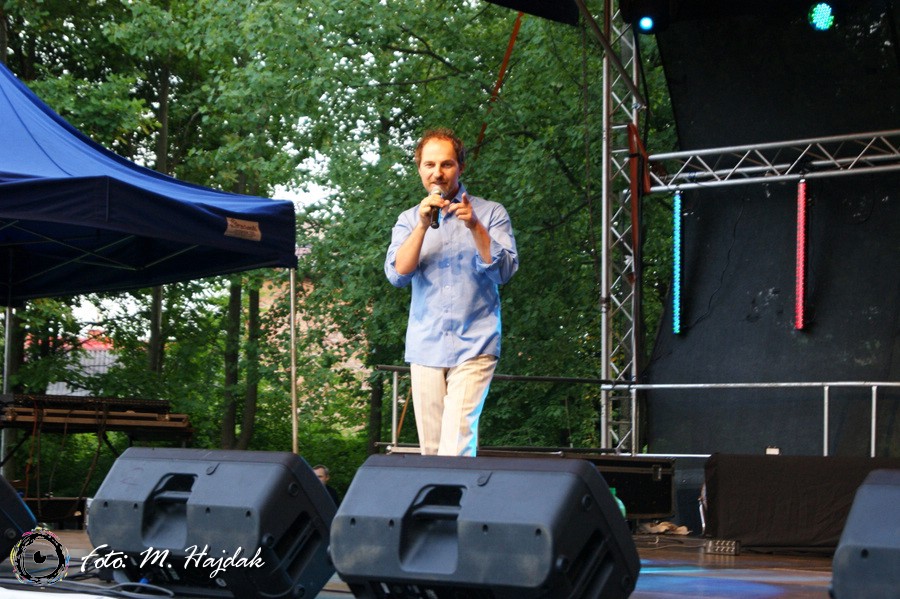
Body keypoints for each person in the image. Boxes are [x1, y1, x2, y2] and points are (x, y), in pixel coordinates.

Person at [384, 127, 519, 457]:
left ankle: (459, 492)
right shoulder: (408, 220)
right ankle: (441, 495)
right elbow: (397, 275)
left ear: (461, 167)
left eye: (446, 164)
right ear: (419, 169)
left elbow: (504, 272)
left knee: (456, 444)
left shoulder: (491, 213)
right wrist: (421, 225)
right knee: (432, 452)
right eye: (429, 165)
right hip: (426, 345)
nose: (437, 173)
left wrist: (474, 226)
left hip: (475, 342)